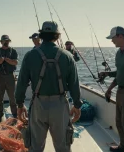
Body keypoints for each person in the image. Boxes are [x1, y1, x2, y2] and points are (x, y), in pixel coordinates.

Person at [15, 21, 82, 152]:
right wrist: (77, 105)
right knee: (63, 146)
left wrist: (19, 104)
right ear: (57, 36)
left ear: (41, 35)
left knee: (35, 146)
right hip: (60, 106)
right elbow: (74, 84)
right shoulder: (68, 56)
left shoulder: (30, 56)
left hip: (38, 105)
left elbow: (22, 83)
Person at [0, 35, 19, 122]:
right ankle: (0, 115)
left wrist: (8, 60)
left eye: (7, 40)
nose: (6, 42)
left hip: (10, 76)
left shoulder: (13, 51)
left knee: (12, 96)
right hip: (0, 76)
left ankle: (15, 114)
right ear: (1, 42)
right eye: (4, 41)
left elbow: (16, 62)